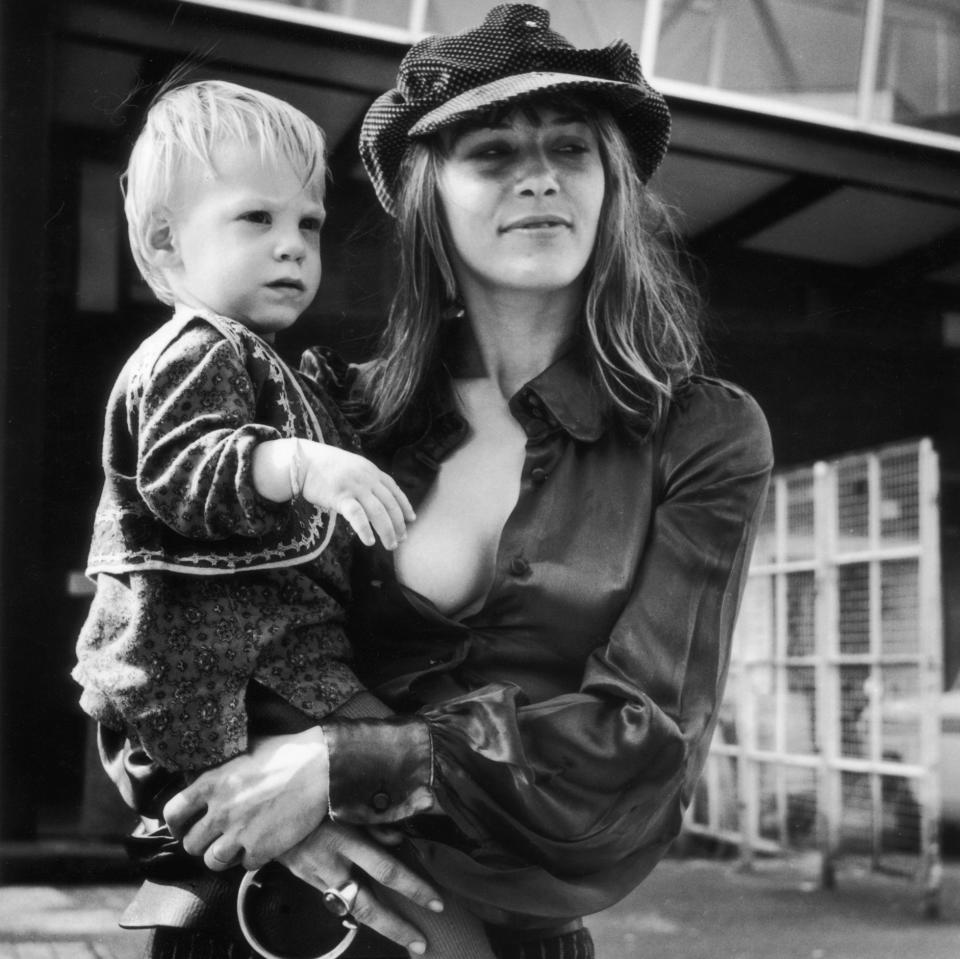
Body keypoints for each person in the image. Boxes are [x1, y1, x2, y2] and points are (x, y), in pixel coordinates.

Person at [114, 5, 774, 958]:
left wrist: (341, 764)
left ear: (609, 187)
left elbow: (647, 751)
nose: (539, 173)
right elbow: (140, 628)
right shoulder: (327, 416)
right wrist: (308, 832)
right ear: (431, 197)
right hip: (264, 914)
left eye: (572, 148)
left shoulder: (699, 436)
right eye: (493, 151)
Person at [72, 78, 494, 959]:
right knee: (420, 785)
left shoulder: (266, 360)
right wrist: (300, 464)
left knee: (408, 801)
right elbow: (183, 471)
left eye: (306, 224)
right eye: (255, 219)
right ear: (164, 239)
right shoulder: (195, 351)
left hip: (268, 666)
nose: (292, 247)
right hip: (242, 673)